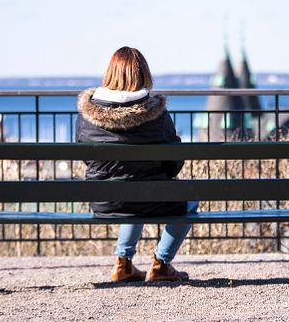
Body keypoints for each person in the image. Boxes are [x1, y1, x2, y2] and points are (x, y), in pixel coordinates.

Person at [75, 46, 197, 283]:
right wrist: (160, 174)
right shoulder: (157, 113)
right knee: (187, 200)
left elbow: (88, 158)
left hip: (104, 199)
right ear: (143, 74)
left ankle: (123, 264)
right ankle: (161, 264)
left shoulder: (87, 115)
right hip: (150, 197)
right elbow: (174, 159)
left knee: (133, 190)